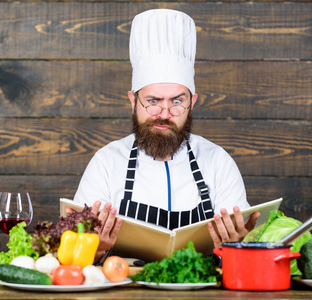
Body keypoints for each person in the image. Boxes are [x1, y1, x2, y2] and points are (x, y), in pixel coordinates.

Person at [71, 8, 260, 263]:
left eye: (177, 101)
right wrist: (96, 248)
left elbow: (242, 258)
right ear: (133, 101)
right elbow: (74, 258)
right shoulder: (106, 163)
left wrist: (236, 246)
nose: (164, 113)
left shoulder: (218, 162)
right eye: (153, 101)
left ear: (192, 103)